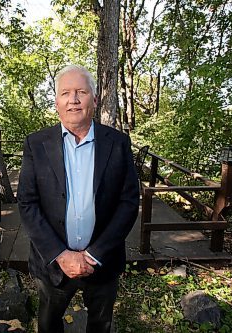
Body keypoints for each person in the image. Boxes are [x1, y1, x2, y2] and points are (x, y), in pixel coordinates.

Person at [17, 64, 139, 333]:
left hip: (103, 262)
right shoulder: (36, 144)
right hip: (53, 265)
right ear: (56, 102)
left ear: (94, 100)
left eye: (81, 92)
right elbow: (27, 203)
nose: (73, 100)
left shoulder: (118, 143)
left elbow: (129, 202)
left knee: (100, 325)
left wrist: (94, 254)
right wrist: (60, 255)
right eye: (65, 93)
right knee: (49, 323)